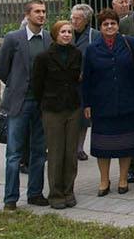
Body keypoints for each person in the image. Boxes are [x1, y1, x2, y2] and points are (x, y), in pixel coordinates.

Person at [80, 10, 134, 196]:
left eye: (113, 23)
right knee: (103, 146)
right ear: (100, 27)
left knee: (126, 144)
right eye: (105, 24)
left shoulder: (130, 43)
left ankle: (123, 178)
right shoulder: (92, 48)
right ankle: (104, 180)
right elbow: (87, 79)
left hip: (128, 102)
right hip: (102, 104)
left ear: (118, 25)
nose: (109, 27)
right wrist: (87, 104)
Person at [0, 0, 49, 210]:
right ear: (27, 15)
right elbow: (2, 69)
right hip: (19, 103)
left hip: (41, 103)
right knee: (14, 153)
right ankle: (10, 198)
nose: (42, 15)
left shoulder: (48, 38)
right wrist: (16, 85)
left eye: (44, 11)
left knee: (39, 151)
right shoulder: (13, 38)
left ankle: (35, 193)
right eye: (37, 11)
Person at [29, 19, 83, 209]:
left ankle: (69, 191)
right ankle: (56, 194)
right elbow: (37, 85)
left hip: (72, 107)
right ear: (55, 34)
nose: (67, 35)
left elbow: (77, 80)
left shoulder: (77, 54)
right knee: (56, 152)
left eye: (69, 32)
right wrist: (45, 104)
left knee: (71, 153)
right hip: (52, 109)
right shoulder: (43, 57)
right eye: (63, 32)